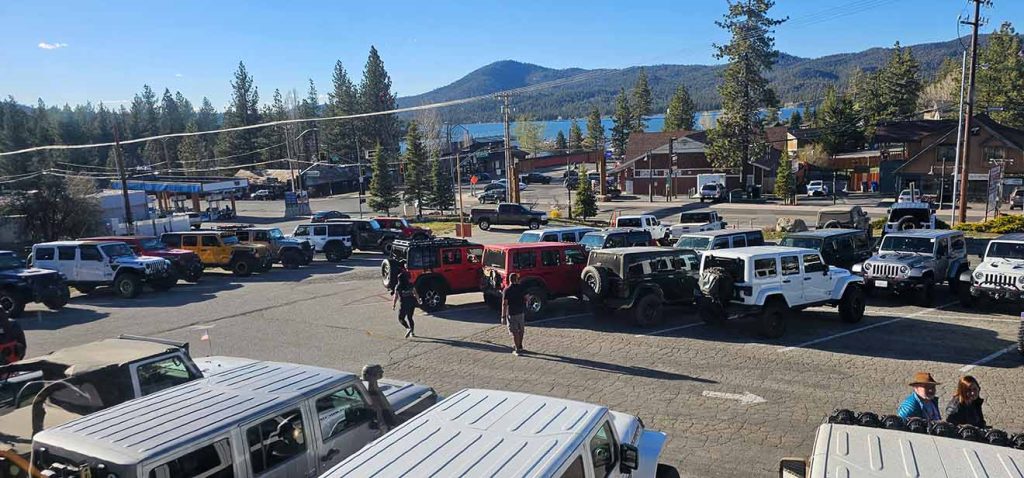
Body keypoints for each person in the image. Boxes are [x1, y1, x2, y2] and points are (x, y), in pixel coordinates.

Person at [501, 273, 527, 356]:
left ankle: (517, 349)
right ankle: (520, 345)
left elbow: (505, 304)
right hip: (521, 312)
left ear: (509, 280)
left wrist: (503, 316)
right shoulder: (521, 288)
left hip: (512, 313)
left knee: (514, 331)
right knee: (521, 330)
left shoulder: (507, 290)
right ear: (516, 280)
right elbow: (526, 298)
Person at [391, 271, 417, 338]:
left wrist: (393, 305)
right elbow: (415, 292)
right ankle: (412, 332)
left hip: (404, 303)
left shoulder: (398, 286)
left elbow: (396, 296)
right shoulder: (410, 284)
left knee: (401, 318)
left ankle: (407, 328)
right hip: (412, 302)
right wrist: (418, 299)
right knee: (410, 317)